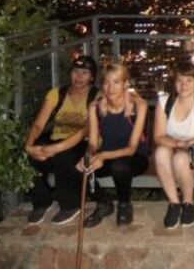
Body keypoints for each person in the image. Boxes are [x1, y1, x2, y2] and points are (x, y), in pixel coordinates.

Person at [23, 56, 99, 225]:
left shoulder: (96, 96)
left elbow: (85, 129)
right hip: (57, 139)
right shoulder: (57, 94)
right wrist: (29, 146)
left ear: (92, 77)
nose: (79, 77)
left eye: (85, 73)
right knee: (30, 158)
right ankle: (42, 202)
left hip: (84, 143)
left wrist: (56, 148)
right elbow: (38, 124)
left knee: (63, 155)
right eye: (76, 71)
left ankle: (70, 204)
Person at [77, 63, 149, 227]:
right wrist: (90, 155)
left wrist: (101, 156)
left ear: (125, 84)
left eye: (116, 82)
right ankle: (103, 203)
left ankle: (124, 204)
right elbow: (94, 143)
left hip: (135, 158)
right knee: (80, 165)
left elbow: (131, 149)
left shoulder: (139, 106)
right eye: (107, 82)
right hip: (108, 155)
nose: (111, 87)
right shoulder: (95, 107)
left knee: (119, 166)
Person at [153, 62, 194, 229]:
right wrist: (181, 143)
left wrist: (178, 146)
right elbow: (158, 137)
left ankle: (188, 202)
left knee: (181, 158)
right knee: (160, 152)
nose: (184, 85)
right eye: (179, 80)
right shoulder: (165, 102)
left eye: (189, 80)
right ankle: (174, 202)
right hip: (174, 153)